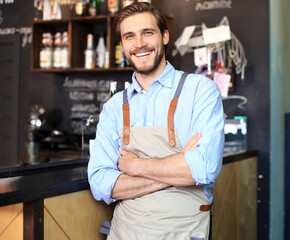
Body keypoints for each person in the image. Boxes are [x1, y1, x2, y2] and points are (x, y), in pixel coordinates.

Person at [87, 2, 225, 239]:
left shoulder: (201, 90)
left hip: (184, 233)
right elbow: (100, 182)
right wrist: (176, 169)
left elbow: (204, 167)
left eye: (147, 33)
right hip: (125, 233)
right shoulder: (114, 107)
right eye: (129, 36)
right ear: (122, 45)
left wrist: (134, 166)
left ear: (164, 36)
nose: (139, 44)